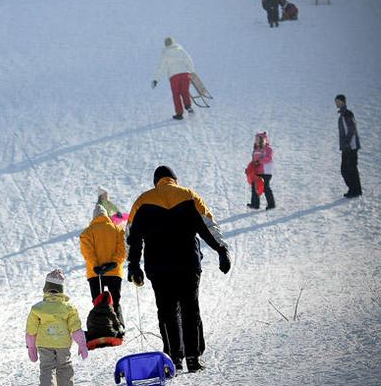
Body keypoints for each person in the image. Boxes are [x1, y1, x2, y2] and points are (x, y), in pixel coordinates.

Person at [125, 166, 231, 373]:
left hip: (159, 267)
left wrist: (134, 265)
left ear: (156, 181)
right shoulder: (188, 195)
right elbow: (208, 225)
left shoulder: (143, 201)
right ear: (173, 179)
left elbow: (132, 237)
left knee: (167, 312)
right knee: (191, 309)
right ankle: (193, 358)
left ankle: (173, 358)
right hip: (188, 264)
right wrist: (221, 249)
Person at [25, 269, 88, 386]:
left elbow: (31, 331)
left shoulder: (37, 309)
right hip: (63, 344)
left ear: (46, 289)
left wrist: (31, 348)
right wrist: (82, 344)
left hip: (44, 344)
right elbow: (76, 328)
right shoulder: (69, 308)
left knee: (47, 368)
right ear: (61, 290)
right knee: (64, 367)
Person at [79, 205, 127, 337]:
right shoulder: (118, 230)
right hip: (114, 272)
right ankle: (120, 328)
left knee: (98, 302)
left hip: (95, 274)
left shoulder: (87, 232)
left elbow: (87, 252)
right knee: (115, 301)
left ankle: (101, 330)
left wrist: (96, 266)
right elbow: (123, 249)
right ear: (106, 216)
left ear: (94, 217)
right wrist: (113, 263)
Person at [152, 37, 195, 120]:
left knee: (176, 94)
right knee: (185, 92)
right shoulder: (181, 50)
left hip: (174, 76)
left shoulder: (165, 54)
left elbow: (161, 67)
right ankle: (188, 107)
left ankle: (179, 114)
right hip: (185, 74)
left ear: (166, 45)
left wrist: (156, 79)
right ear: (174, 43)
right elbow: (189, 60)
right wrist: (192, 71)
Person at [335, 94, 362, 198]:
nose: (336, 103)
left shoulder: (347, 114)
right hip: (346, 147)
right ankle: (354, 189)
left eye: (337, 101)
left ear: (342, 102)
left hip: (351, 147)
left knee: (349, 169)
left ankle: (355, 190)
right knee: (346, 169)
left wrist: (346, 142)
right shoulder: (342, 115)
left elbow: (352, 128)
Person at [247, 132, 276, 210]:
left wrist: (259, 161)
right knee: (254, 187)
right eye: (255, 139)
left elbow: (269, 159)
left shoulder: (268, 149)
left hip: (265, 172)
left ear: (262, 140)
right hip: (256, 172)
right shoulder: (256, 149)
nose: (256, 140)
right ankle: (255, 204)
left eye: (257, 139)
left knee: (265, 187)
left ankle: (271, 204)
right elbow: (254, 161)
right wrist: (249, 168)